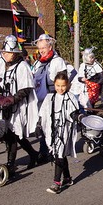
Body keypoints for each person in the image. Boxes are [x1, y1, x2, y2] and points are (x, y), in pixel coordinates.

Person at [0, 35, 39, 174]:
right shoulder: (7, 66)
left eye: (6, 53)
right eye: (3, 52)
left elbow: (26, 88)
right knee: (12, 135)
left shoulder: (22, 66)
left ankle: (10, 164)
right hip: (6, 106)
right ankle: (33, 154)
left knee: (13, 134)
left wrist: (12, 100)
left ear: (13, 53)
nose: (4, 55)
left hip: (17, 107)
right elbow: (3, 83)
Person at [39, 72, 83, 194]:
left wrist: (78, 117)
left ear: (67, 85)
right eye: (58, 85)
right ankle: (67, 178)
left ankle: (56, 183)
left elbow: (74, 112)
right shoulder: (49, 98)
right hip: (52, 130)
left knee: (59, 153)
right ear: (54, 84)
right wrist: (39, 125)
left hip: (65, 131)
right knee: (60, 154)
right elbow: (43, 113)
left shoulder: (71, 97)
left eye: (63, 85)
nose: (60, 88)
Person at [32, 34, 67, 163]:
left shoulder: (57, 61)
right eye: (40, 48)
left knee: (52, 127)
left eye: (44, 48)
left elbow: (64, 81)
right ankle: (44, 151)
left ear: (50, 46)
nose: (41, 50)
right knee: (42, 126)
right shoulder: (37, 63)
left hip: (53, 100)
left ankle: (52, 151)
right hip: (40, 101)